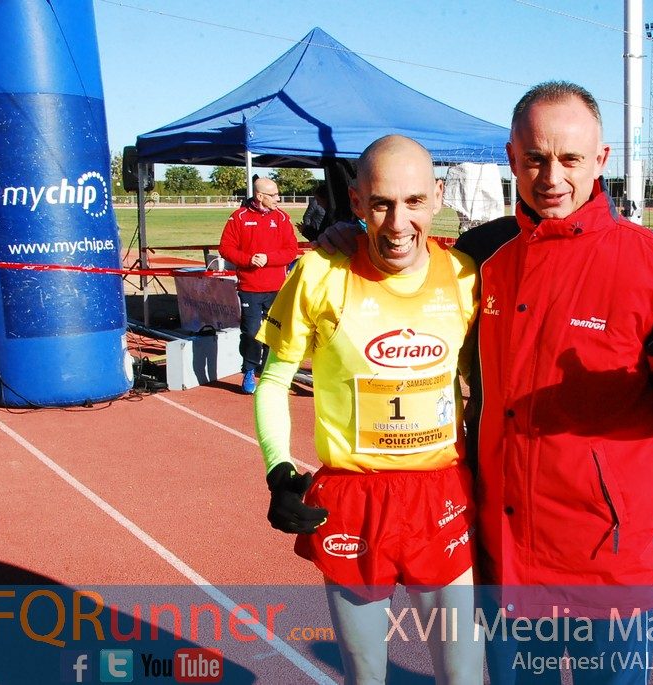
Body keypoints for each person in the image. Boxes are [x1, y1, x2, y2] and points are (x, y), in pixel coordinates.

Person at [319, 81, 653, 685]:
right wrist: (347, 242)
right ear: (512, 157)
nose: (552, 176)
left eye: (570, 159)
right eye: (535, 159)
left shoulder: (650, 261)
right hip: (506, 558)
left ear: (600, 160)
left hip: (607, 561)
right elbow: (404, 268)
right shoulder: (481, 253)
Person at [254, 135, 483, 684]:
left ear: (438, 196)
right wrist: (277, 468)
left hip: (439, 496)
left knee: (464, 671)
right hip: (354, 499)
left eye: (413, 202)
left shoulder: (465, 276)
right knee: (365, 672)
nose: (398, 222)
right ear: (356, 202)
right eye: (381, 204)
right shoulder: (319, 275)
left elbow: (480, 386)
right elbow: (275, 379)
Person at [219, 177, 299, 394]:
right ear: (259, 196)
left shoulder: (282, 218)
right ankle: (249, 370)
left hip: (277, 287)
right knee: (252, 331)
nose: (278, 198)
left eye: (277, 194)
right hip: (250, 287)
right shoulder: (239, 218)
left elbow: (291, 250)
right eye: (273, 195)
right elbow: (225, 248)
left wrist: (269, 258)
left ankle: (269, 371)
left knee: (275, 331)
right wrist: (248, 259)